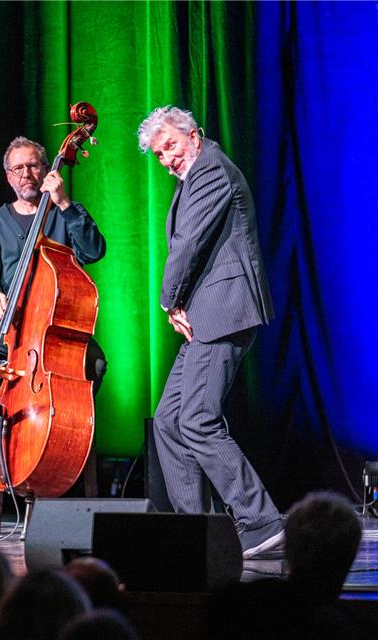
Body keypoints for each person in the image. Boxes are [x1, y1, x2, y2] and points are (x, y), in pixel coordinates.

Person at [137, 106, 281, 559]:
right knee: (168, 421)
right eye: (160, 154)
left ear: (194, 135)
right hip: (206, 315)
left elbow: (189, 244)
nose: (167, 159)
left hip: (225, 310)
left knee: (198, 419)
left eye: (171, 146)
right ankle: (196, 530)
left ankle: (261, 521)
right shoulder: (194, 176)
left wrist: (169, 301)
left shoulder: (211, 169)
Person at [0, 136, 108, 421]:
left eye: (32, 166)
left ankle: (58, 423)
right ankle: (4, 417)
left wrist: (64, 203)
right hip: (8, 328)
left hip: (55, 329)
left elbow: (93, 251)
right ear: (9, 177)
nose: (26, 174)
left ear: (47, 170)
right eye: (18, 169)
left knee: (95, 364)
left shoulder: (66, 213)